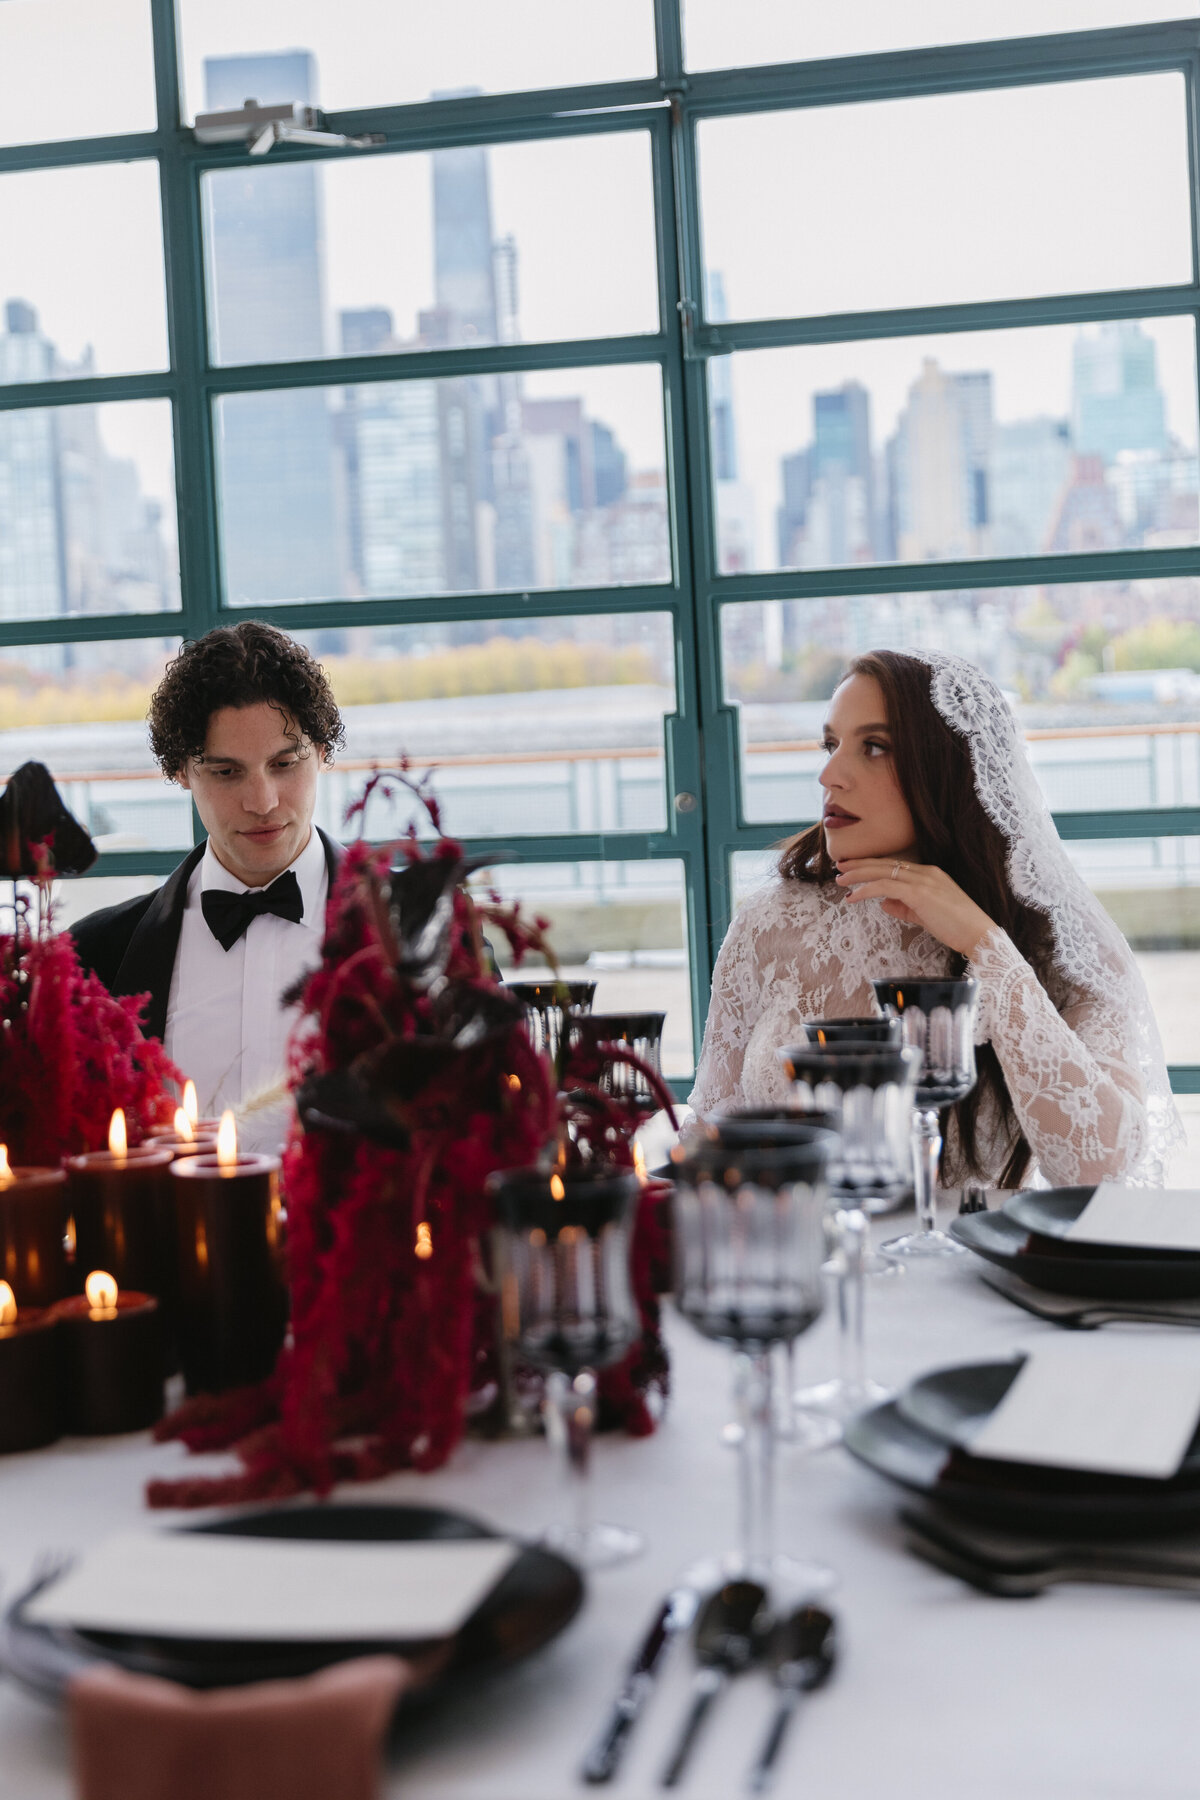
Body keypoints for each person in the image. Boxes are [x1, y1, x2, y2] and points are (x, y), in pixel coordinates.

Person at [690, 649, 1181, 1188]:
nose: (829, 774)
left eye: (874, 747)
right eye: (831, 744)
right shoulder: (768, 925)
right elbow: (712, 1135)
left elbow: (1100, 1164)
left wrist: (985, 944)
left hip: (968, 1265)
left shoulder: (1060, 944)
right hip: (802, 1257)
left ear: (950, 768)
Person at [70, 622, 346, 1153]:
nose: (262, 801)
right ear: (181, 771)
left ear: (323, 753)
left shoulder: (425, 931)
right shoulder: (94, 957)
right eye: (226, 773)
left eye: (285, 764)